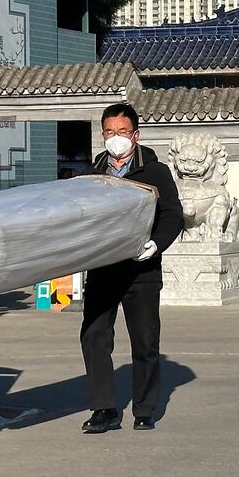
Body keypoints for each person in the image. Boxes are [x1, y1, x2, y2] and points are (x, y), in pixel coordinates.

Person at [79, 103, 183, 433]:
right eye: (110, 132)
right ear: (102, 134)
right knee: (94, 336)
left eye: (122, 132)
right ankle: (104, 408)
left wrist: (156, 244)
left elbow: (172, 215)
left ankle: (145, 407)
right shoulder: (92, 174)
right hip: (102, 269)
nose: (116, 139)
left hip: (142, 271)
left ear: (135, 135)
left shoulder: (155, 172)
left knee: (145, 340)